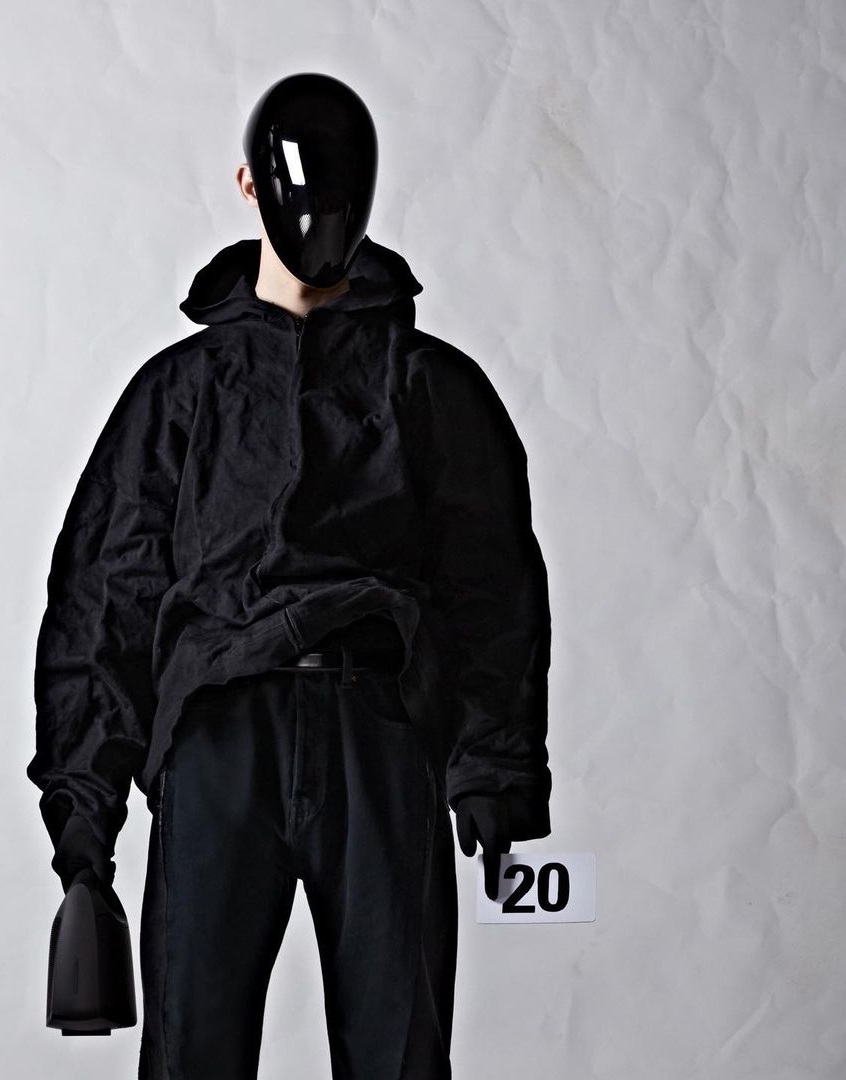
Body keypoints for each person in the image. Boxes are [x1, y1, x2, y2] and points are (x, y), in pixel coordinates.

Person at [27, 72, 552, 1079]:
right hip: (219, 738)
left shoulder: (428, 388)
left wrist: (495, 768)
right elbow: (106, 595)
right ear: (247, 186)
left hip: (382, 732)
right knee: (194, 1056)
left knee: (399, 1058)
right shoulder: (181, 394)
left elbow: (492, 586)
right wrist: (83, 816)